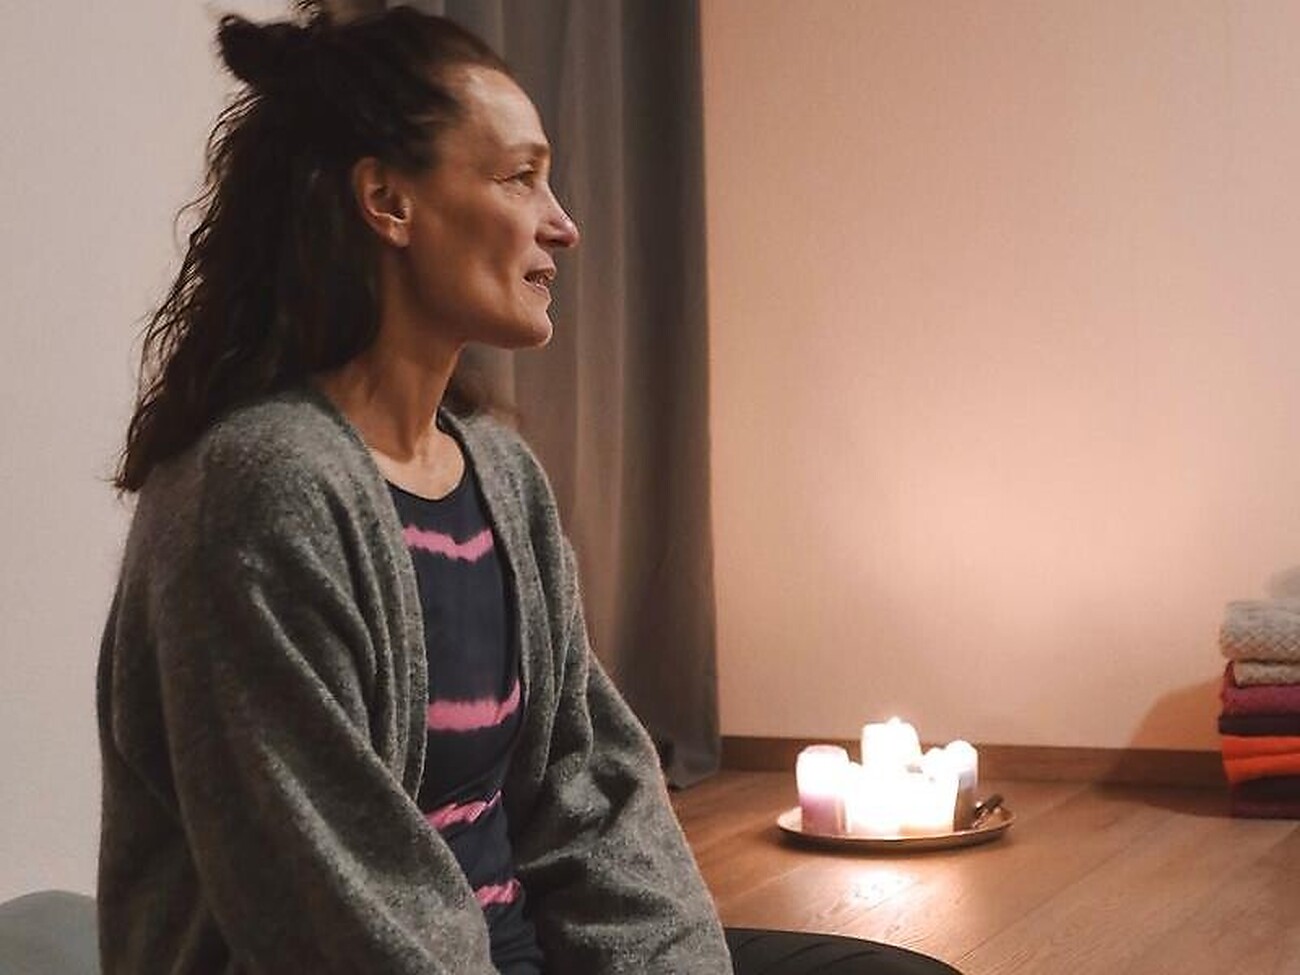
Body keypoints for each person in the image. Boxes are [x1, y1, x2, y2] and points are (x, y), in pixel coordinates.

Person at [97, 6, 965, 974]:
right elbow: (326, 907)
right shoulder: (260, 492)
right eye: (520, 177)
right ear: (388, 201)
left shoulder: (499, 477)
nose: (564, 223)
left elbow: (587, 791)